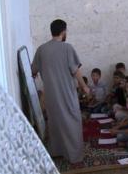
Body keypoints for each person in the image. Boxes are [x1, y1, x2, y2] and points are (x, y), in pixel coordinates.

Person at [31, 19, 89, 164]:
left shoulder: (41, 49)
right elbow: (76, 71)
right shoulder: (67, 48)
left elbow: (32, 71)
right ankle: (75, 156)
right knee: (73, 122)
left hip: (51, 95)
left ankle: (56, 152)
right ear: (64, 32)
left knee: (55, 122)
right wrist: (84, 87)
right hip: (67, 94)